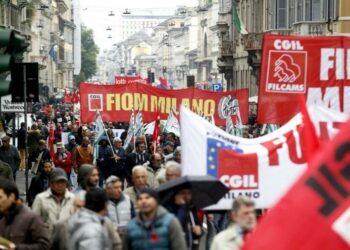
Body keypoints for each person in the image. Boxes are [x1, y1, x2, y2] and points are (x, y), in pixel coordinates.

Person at [0, 177, 50, 249]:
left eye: (0, 197)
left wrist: (17, 248)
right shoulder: (3, 220)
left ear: (12, 197)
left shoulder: (32, 218)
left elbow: (45, 246)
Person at [32, 168, 75, 232]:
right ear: (51, 184)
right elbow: (34, 222)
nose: (60, 185)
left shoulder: (72, 198)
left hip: (67, 238)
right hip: (47, 237)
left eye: (63, 182)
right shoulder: (40, 199)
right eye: (57, 182)